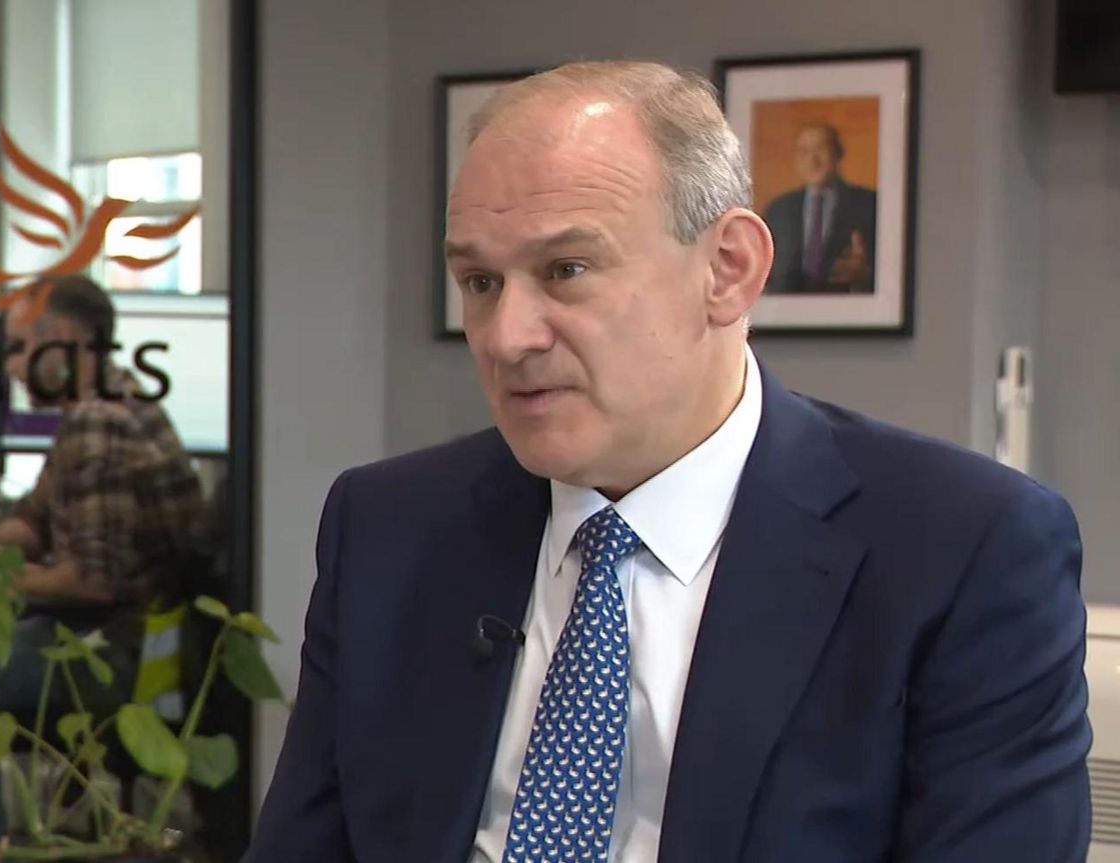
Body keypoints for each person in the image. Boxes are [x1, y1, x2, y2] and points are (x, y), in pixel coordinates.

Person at [247, 61, 1089, 863]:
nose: (507, 338)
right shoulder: (388, 526)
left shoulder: (964, 550)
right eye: (479, 282)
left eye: (566, 270)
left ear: (729, 270)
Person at [0, 274, 204, 861]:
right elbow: (35, 519)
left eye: (19, 350)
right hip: (115, 635)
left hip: (119, 650)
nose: (11, 370)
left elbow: (93, 581)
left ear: (63, 339)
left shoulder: (102, 422)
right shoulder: (105, 405)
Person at [762, 122, 877, 294]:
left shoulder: (870, 204)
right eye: (804, 152)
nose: (812, 160)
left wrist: (865, 275)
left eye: (820, 149)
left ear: (838, 153)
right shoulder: (779, 209)